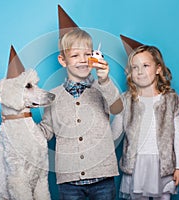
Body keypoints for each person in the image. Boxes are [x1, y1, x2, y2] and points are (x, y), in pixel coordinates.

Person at [38, 27, 123, 200]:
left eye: (87, 54)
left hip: (103, 177)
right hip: (69, 181)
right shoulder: (53, 96)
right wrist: (18, 120)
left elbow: (117, 108)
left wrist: (105, 79)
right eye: (75, 56)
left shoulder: (103, 88)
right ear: (63, 60)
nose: (83, 60)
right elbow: (45, 132)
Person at [112, 45, 179, 200]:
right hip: (136, 163)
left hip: (162, 164)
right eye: (135, 67)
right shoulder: (126, 100)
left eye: (145, 66)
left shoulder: (171, 100)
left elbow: (178, 136)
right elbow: (115, 134)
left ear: (158, 68)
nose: (140, 72)